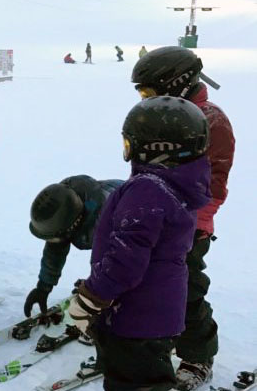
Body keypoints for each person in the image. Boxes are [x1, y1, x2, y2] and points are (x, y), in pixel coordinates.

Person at [68, 96, 211, 391]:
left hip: (135, 320)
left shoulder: (146, 191)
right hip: (157, 315)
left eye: (128, 143)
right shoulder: (173, 186)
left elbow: (126, 260)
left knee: (132, 383)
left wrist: (91, 297)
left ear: (156, 147)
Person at [131, 46, 235, 390]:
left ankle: (197, 354)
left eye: (150, 91)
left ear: (175, 83)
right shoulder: (155, 115)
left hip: (188, 228)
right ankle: (153, 341)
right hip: (152, 220)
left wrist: (191, 225)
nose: (146, 99)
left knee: (187, 290)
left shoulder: (211, 121)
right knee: (147, 286)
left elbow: (214, 185)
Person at [24, 175, 123, 319]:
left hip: (152, 240)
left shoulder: (112, 220)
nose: (54, 241)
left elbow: (123, 264)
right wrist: (43, 287)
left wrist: (97, 296)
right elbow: (55, 249)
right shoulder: (68, 207)